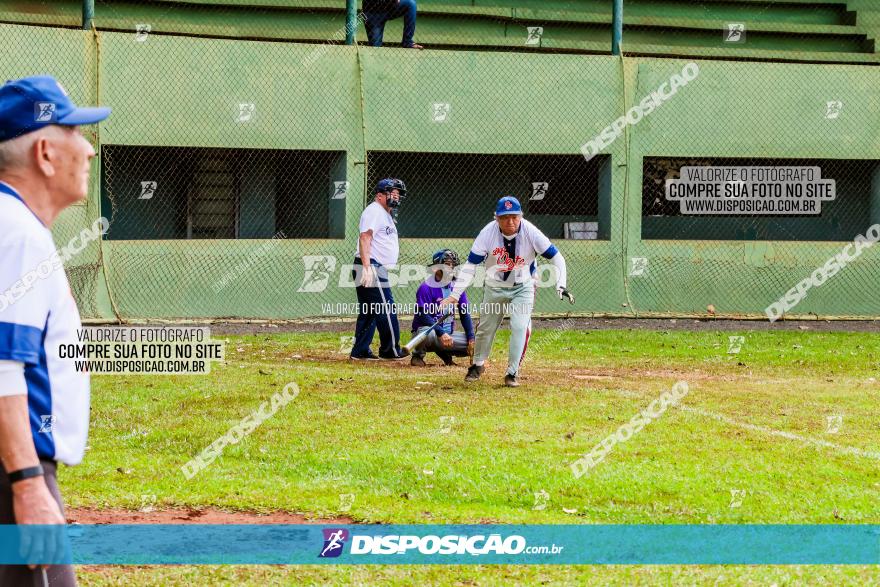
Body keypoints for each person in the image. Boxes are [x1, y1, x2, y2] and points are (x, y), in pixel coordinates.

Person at [0, 75, 111, 586]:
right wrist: (26, 482)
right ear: (46, 152)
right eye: (76, 133)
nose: (88, 150)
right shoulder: (17, 232)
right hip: (13, 468)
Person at [441, 196, 574, 387]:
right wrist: (454, 295)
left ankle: (512, 372)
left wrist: (561, 284)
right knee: (486, 327)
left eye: (514, 217)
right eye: (504, 217)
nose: (510, 221)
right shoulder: (487, 233)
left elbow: (557, 257)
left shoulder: (530, 231)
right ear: (496, 218)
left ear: (520, 216)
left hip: (523, 286)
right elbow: (471, 265)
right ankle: (478, 364)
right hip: (495, 286)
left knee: (520, 327)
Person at [350, 178, 410, 360]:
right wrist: (368, 268)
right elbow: (365, 237)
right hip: (370, 265)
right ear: (379, 195)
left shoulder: (385, 213)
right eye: (392, 192)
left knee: (370, 311)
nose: (396, 196)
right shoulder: (374, 210)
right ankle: (390, 350)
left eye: (398, 193)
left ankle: (360, 351)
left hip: (371, 265)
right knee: (386, 309)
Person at [410, 249, 475, 367]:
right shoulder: (425, 287)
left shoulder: (457, 287)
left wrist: (471, 339)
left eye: (453, 265)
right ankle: (417, 356)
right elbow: (423, 315)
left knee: (477, 342)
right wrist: (441, 333)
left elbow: (464, 314)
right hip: (431, 333)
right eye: (447, 265)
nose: (451, 268)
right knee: (427, 333)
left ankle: (446, 355)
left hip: (448, 335)